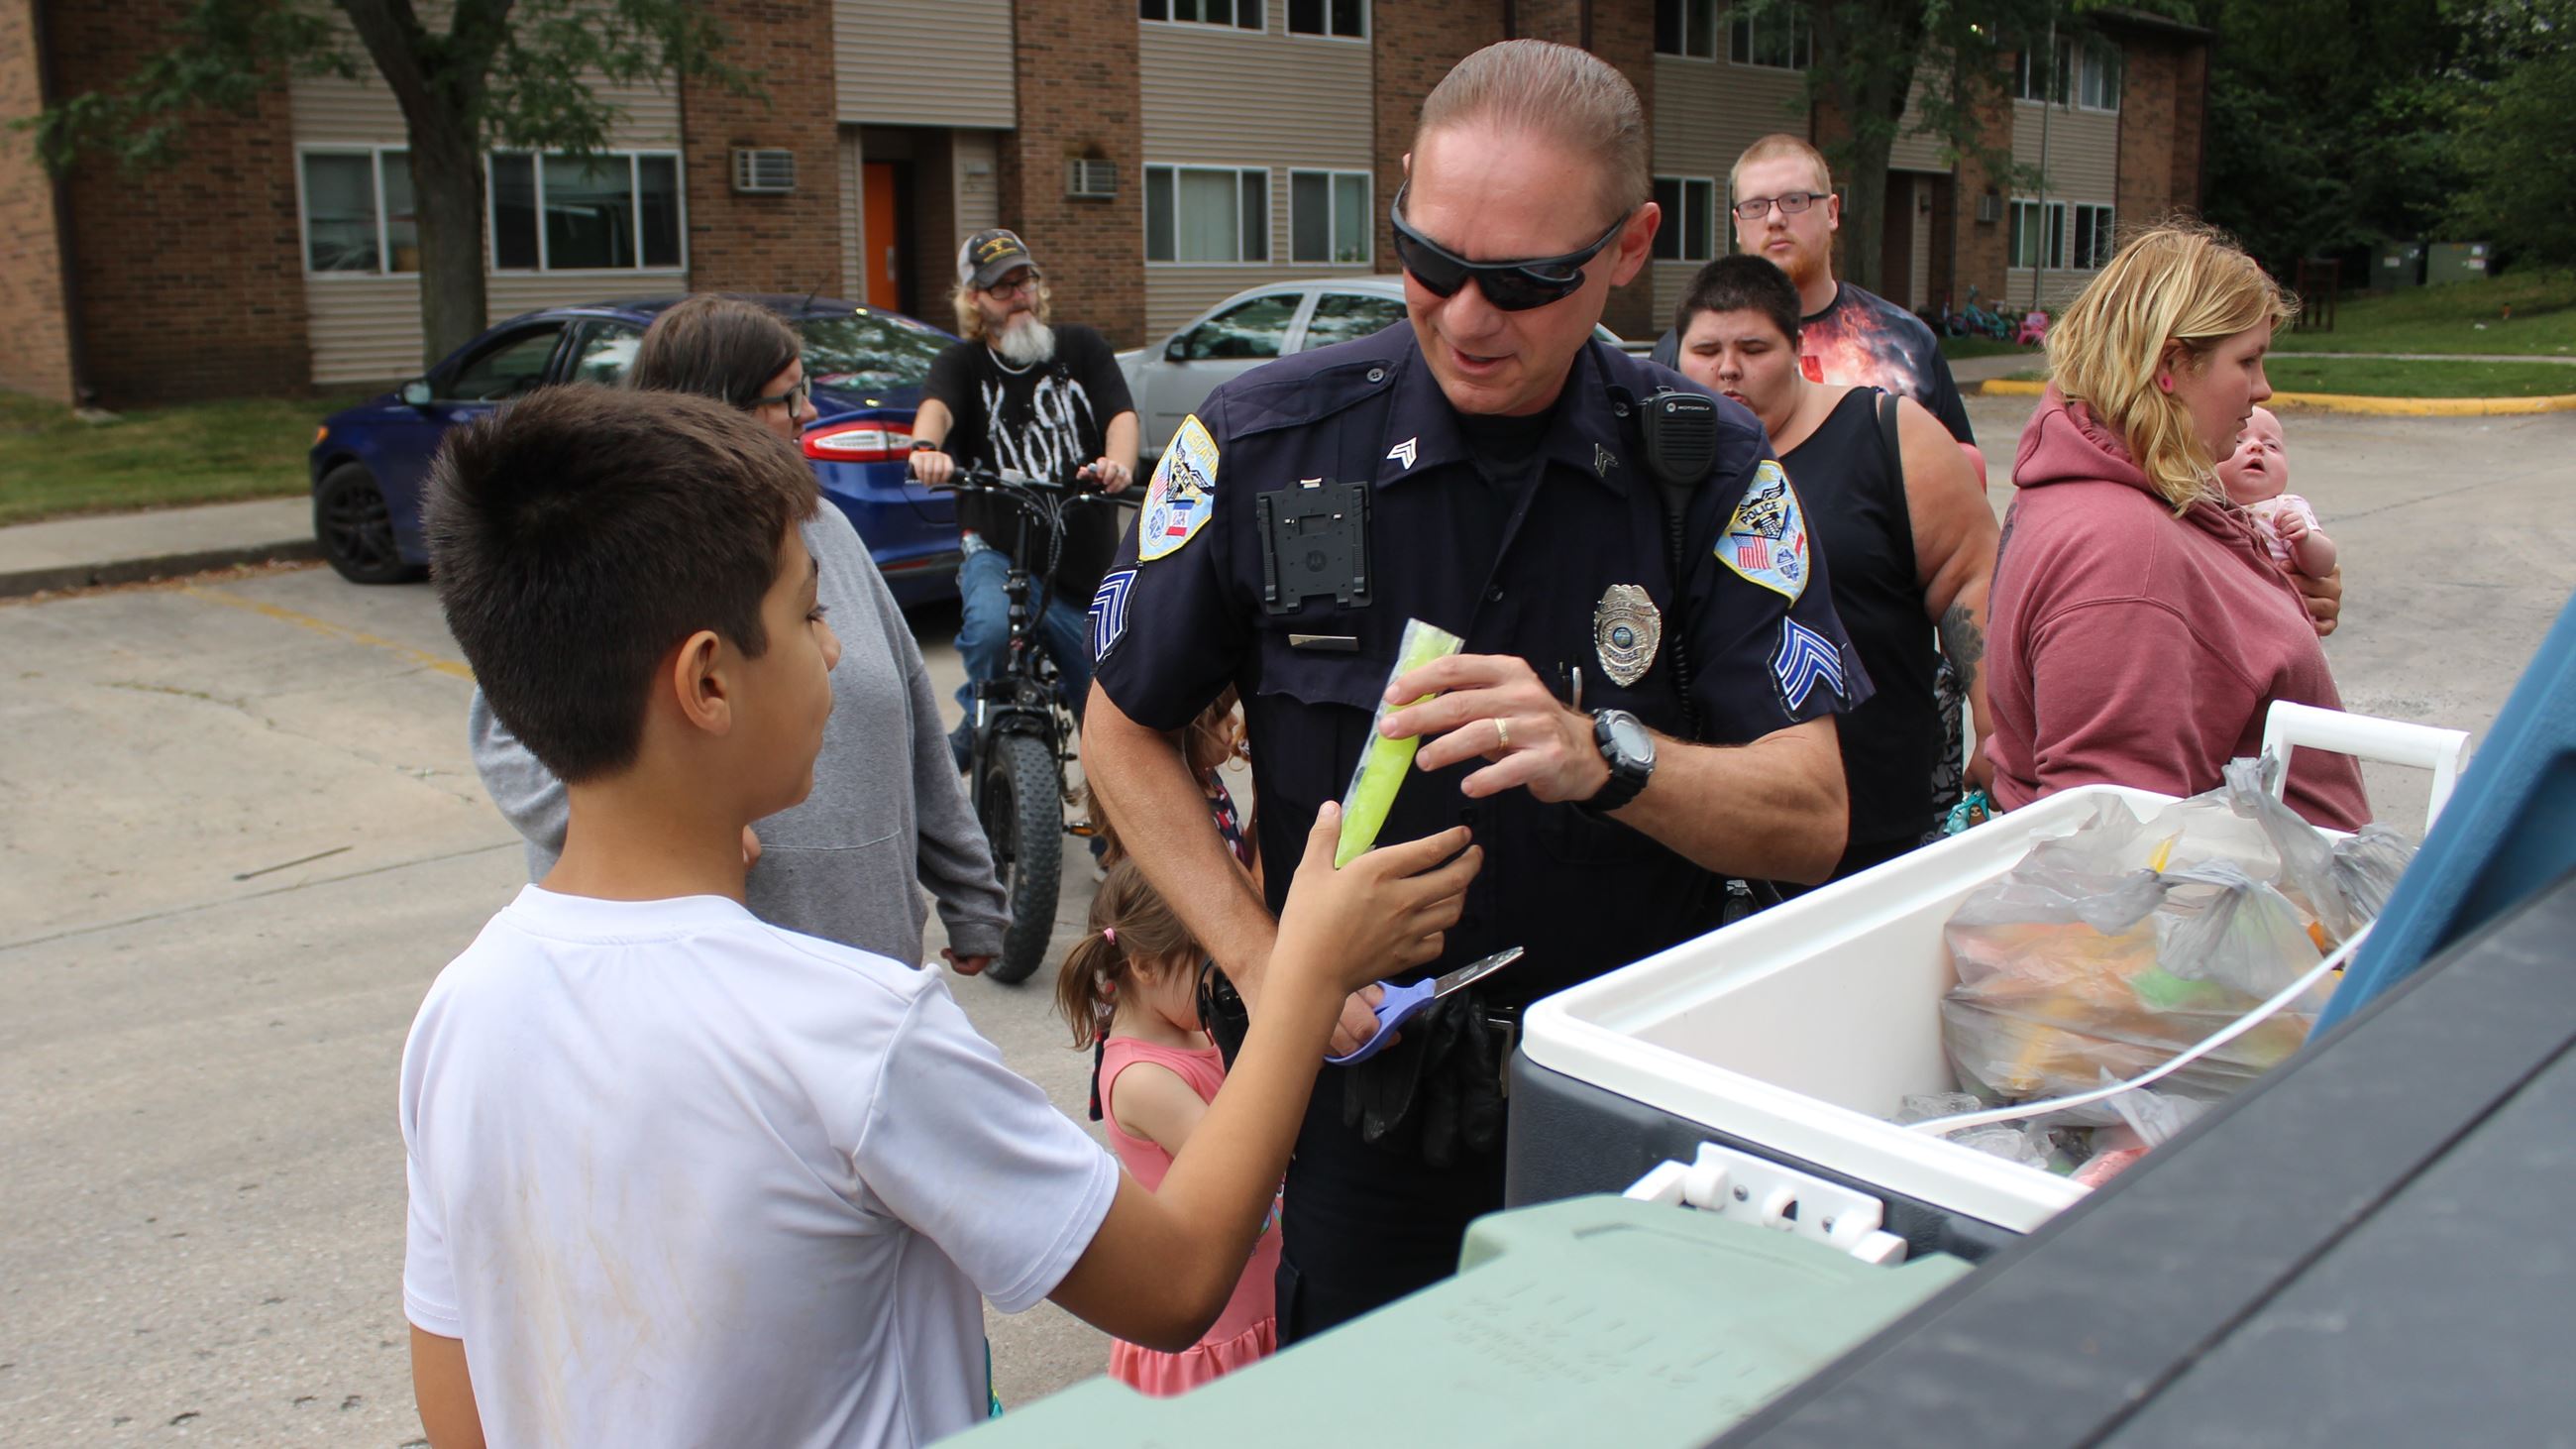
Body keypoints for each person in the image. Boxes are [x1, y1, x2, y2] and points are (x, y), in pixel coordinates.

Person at [403, 385, 1482, 1448]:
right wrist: (1304, 975)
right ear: (709, 684)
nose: (835, 648)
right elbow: (1174, 1279)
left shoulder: (460, 1014)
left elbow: (460, 1409)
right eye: (808, 613)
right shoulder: (859, 1035)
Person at [1083, 40, 1868, 1343]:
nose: (1462, 316)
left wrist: (1603, 755)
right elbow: (1120, 730)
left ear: (1629, 248)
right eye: (1429, 260)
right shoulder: (1266, 442)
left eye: (1521, 282)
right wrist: (1271, 967)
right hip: (1365, 1124)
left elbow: (1812, 814)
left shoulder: (1705, 469)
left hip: (1621, 1119)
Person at [468, 293, 1009, 973]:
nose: (809, 412)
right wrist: (667, 830)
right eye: (787, 397)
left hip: (868, 961)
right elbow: (511, 741)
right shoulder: (605, 550)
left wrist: (970, 889)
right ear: (712, 409)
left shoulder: (826, 530)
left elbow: (911, 717)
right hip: (694, 969)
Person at [1983, 222, 2370, 831]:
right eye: (2248, 360)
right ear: (2170, 366)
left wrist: (2276, 601)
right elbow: (2111, 834)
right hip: (2250, 887)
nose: (2264, 389)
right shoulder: (2123, 550)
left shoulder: (2127, 491)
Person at [1671, 255, 1999, 878]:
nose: (1728, 368)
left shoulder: (1889, 434)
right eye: (1706, 350)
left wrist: (1995, 729)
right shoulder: (1655, 462)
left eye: (1753, 348)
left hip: (1877, 826)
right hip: (1702, 830)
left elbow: (1972, 580)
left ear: (1797, 347)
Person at [910, 229, 1140, 769]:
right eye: (1002, 287)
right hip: (1001, 555)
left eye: (1025, 281)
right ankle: (981, 717)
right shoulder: (962, 364)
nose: (1019, 296)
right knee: (990, 631)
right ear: (974, 299)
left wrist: (1118, 463)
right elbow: (937, 408)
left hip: (1084, 572)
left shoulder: (1081, 347)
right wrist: (925, 448)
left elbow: (1120, 414)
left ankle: (1112, 816)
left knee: (1110, 721)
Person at [1054, 863, 1280, 1396]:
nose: (1223, 978)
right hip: (1221, 1331)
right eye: (1208, 963)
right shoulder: (1143, 1079)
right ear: (1147, 967)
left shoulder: (1196, 1029)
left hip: (1257, 1295)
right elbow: (1244, 1165)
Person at [2216, 405, 2336, 579]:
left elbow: (2323, 567)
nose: (2257, 446)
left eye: (2271, 445)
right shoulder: (2200, 505)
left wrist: (2305, 540)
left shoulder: (2285, 509)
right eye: (2237, 441)